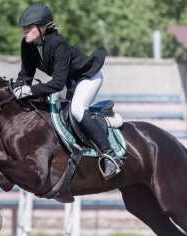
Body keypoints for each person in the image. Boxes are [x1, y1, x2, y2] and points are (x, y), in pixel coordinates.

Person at [13, 3, 123, 179]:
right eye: (24, 28)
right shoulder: (27, 45)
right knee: (57, 114)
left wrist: (29, 90)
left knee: (77, 110)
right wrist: (16, 89)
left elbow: (56, 84)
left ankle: (110, 155)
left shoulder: (58, 44)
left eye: (29, 27)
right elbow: (26, 74)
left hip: (88, 77)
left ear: (42, 27)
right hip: (69, 82)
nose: (24, 31)